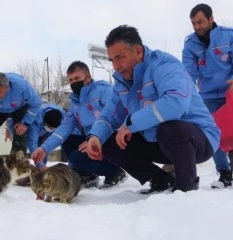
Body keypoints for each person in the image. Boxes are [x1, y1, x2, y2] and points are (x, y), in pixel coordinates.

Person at [86, 25, 220, 193]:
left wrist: (130, 123)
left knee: (170, 129)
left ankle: (186, 187)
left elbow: (176, 102)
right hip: (159, 141)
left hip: (198, 139)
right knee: (107, 140)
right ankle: (161, 180)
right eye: (112, 60)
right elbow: (109, 115)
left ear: (138, 51)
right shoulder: (121, 82)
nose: (116, 66)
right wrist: (96, 136)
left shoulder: (164, 64)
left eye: (119, 57)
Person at [32, 61, 127, 189]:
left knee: (76, 157)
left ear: (88, 77)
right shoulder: (75, 101)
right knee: (68, 140)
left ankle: (115, 172)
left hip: (112, 139)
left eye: (77, 78)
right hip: (93, 140)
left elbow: (118, 117)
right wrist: (44, 148)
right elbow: (65, 127)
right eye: (71, 80)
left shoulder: (105, 91)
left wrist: (96, 138)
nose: (73, 83)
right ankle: (88, 175)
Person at [182, 3, 233, 188]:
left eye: (200, 22)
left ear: (211, 19)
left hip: (231, 91)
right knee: (213, 133)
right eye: (194, 23)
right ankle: (224, 172)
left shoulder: (228, 35)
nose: (197, 27)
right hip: (208, 95)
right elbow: (188, 73)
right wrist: (186, 92)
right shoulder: (190, 44)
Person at [0, 72, 41, 155]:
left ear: (6, 88)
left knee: (20, 134)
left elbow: (36, 103)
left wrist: (25, 123)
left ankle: (17, 163)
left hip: (19, 108)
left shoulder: (22, 86)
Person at [15, 103, 65, 186]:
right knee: (36, 151)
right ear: (45, 121)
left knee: (43, 151)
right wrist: (41, 165)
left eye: (53, 128)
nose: (51, 129)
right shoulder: (36, 118)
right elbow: (32, 143)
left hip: (45, 134)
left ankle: (40, 173)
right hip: (32, 131)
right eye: (49, 126)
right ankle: (22, 175)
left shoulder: (62, 117)